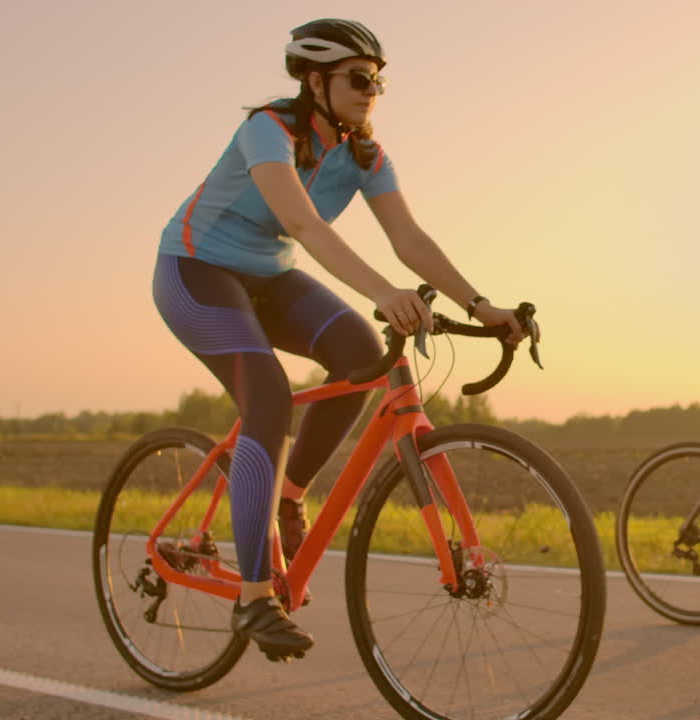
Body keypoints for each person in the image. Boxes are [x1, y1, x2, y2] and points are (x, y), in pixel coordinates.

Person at [152, 18, 531, 661]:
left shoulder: (365, 157)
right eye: (358, 78)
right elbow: (301, 221)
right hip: (196, 271)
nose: (370, 91)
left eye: (378, 81)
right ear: (315, 80)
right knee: (267, 398)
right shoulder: (267, 131)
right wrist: (384, 292)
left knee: (362, 359)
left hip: (269, 278)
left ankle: (289, 497)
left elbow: (410, 239)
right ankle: (252, 598)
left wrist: (481, 304)